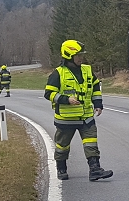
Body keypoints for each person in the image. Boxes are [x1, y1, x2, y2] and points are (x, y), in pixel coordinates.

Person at [44, 40, 113, 182]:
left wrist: (98, 103)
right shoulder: (58, 73)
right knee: (62, 146)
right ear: (69, 56)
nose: (81, 58)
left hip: (86, 117)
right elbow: (48, 93)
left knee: (91, 143)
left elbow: (94, 87)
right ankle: (61, 168)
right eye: (78, 55)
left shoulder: (87, 70)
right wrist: (66, 99)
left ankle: (95, 169)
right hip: (66, 119)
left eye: (81, 55)